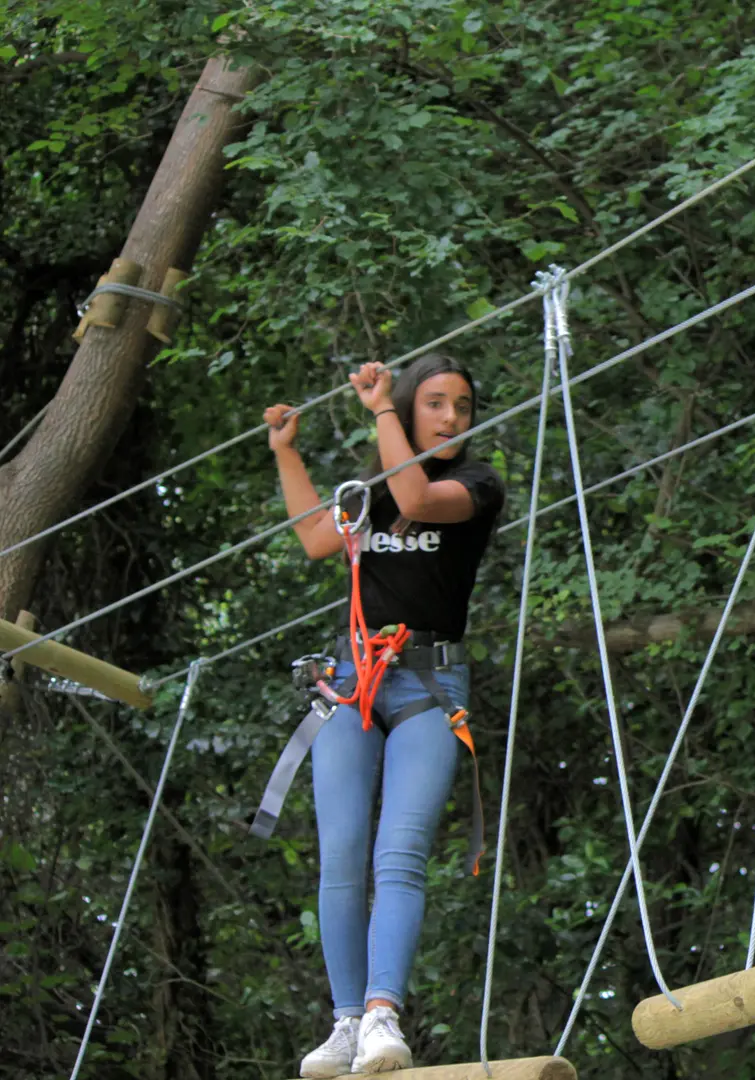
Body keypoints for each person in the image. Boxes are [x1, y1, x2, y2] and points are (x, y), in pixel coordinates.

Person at [264, 353, 505, 1076]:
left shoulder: (475, 485)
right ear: (411, 409)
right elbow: (314, 539)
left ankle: (380, 1014)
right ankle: (343, 1023)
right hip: (353, 680)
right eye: (435, 403)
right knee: (340, 856)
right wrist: (288, 454)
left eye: (461, 406)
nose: (452, 418)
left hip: (432, 684)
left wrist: (382, 413)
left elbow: (419, 497)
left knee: (397, 855)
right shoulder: (365, 492)